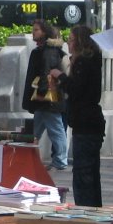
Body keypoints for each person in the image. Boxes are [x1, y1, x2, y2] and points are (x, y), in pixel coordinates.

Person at [50, 27, 105, 206]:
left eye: (72, 39)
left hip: (85, 124)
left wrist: (61, 77)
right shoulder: (91, 60)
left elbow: (76, 90)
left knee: (83, 176)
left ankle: (86, 216)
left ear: (80, 42)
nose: (68, 43)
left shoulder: (84, 62)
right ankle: (93, 214)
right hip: (91, 123)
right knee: (89, 175)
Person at [22, 19, 68, 170]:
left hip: (47, 100)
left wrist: (42, 90)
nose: (33, 32)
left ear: (44, 32)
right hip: (42, 101)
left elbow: (45, 72)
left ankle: (60, 160)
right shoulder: (43, 50)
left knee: (56, 130)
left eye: (36, 30)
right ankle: (27, 157)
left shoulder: (48, 50)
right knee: (36, 131)